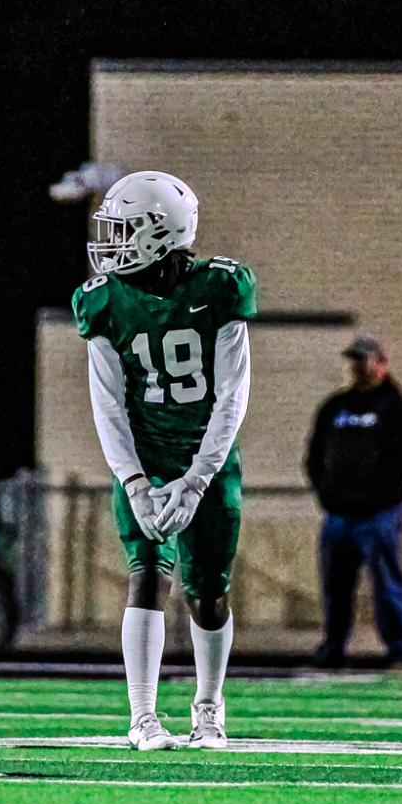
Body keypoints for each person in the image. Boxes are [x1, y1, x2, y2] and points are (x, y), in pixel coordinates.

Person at [73, 171, 255, 751]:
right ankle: (143, 717)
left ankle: (209, 706)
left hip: (209, 454)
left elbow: (233, 396)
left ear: (160, 233)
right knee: (147, 574)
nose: (114, 241)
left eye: (125, 229)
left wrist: (199, 479)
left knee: (208, 592)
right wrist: (133, 480)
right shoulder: (103, 300)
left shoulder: (220, 288)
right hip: (144, 456)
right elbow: (107, 406)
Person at [306, 335, 402, 667]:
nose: (357, 366)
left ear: (381, 364)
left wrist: (376, 493)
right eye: (354, 360)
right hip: (339, 513)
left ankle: (400, 648)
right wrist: (326, 491)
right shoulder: (335, 407)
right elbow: (315, 454)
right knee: (336, 585)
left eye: (364, 359)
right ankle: (334, 645)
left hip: (379, 512)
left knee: (386, 581)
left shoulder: (396, 407)